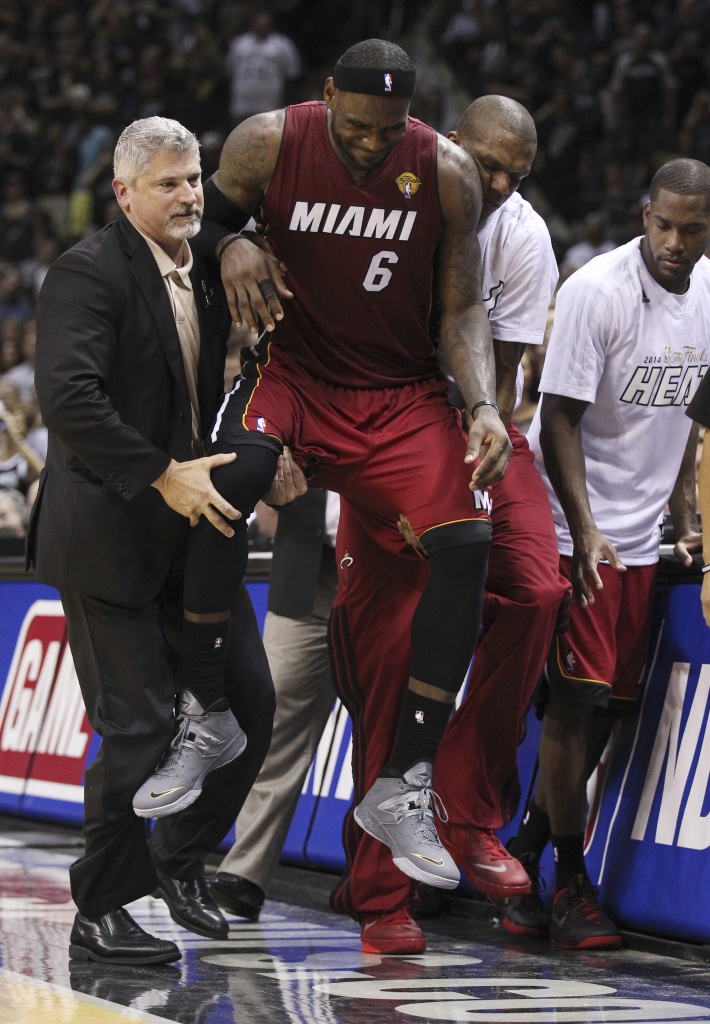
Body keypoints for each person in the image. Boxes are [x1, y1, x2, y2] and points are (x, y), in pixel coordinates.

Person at [137, 40, 512, 902]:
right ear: (327, 94)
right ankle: (205, 713)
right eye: (356, 126)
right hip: (296, 376)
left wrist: (484, 403)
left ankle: (404, 781)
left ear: (411, 117)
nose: (373, 145)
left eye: (388, 131)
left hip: (398, 391)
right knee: (228, 481)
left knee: (467, 542)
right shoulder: (268, 140)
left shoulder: (446, 173)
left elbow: (459, 307)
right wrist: (230, 244)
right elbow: (205, 223)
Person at [29, 116, 292, 965]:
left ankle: (174, 861)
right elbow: (67, 402)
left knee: (246, 705)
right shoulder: (85, 273)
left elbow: (245, 373)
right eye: (171, 183)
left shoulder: (210, 271)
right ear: (124, 192)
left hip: (192, 536)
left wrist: (271, 446)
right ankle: (100, 909)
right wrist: (161, 474)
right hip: (108, 537)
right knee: (141, 729)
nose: (188, 195)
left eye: (194, 179)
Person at [328, 95, 568, 953]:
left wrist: (484, 441)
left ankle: (466, 812)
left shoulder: (525, 235)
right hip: (378, 434)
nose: (501, 184)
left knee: (538, 586)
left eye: (517, 173)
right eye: (488, 164)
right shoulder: (377, 200)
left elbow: (501, 375)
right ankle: (382, 896)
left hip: (475, 429)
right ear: (448, 144)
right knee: (394, 655)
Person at [504, 157, 710, 950]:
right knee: (577, 704)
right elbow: (555, 418)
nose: (675, 241)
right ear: (643, 214)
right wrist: (586, 529)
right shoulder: (596, 290)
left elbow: (694, 414)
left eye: (693, 229)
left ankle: (524, 852)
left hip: (643, 538)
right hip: (572, 530)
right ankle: (569, 883)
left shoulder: (707, 294)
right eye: (664, 224)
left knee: (610, 711)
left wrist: (685, 512)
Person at [210, 488, 339, 920]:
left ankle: (396, 885)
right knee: (274, 715)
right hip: (309, 562)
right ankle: (244, 873)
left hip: (391, 561)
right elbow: (266, 514)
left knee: (392, 725)